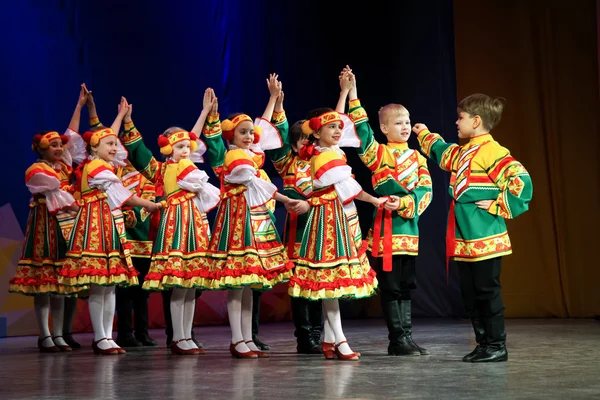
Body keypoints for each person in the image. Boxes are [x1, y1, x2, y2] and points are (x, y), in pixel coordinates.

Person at [413, 93, 533, 362]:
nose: (457, 122)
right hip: (463, 237)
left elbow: (521, 183)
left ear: (476, 121)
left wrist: (495, 204)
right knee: (470, 294)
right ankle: (483, 343)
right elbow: (444, 152)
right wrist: (423, 134)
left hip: (484, 235)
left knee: (486, 292)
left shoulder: (493, 152)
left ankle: (496, 345)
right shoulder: (465, 151)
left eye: (461, 118)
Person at [199, 86, 296, 358]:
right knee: (237, 281)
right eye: (242, 132)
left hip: (255, 217)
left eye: (250, 132)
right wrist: (211, 117)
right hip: (237, 220)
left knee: (250, 283)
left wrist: (273, 99)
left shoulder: (251, 154)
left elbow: (260, 129)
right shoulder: (226, 157)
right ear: (231, 135)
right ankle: (237, 339)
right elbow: (215, 140)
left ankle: (247, 339)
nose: (250, 136)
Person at [59, 99, 161, 355]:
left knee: (110, 284)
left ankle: (106, 336)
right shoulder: (95, 167)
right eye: (110, 144)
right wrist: (150, 205)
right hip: (95, 227)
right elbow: (122, 194)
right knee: (99, 284)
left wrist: (119, 117)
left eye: (116, 144)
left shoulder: (103, 164)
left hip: (108, 225)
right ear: (95, 147)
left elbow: (118, 193)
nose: (115, 148)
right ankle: (100, 336)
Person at [341, 67, 432, 355]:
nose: (405, 127)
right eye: (398, 123)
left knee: (405, 287)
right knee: (391, 287)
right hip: (386, 233)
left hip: (409, 232)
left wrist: (405, 203)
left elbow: (426, 190)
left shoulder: (418, 156)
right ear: (385, 128)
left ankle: (405, 336)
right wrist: (353, 94)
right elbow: (362, 131)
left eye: (407, 122)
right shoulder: (378, 152)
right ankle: (396, 339)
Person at [120, 97, 220, 355]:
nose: (186, 150)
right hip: (175, 226)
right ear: (168, 149)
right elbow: (138, 150)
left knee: (191, 284)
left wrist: (204, 112)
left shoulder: (188, 166)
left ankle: (187, 335)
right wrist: (128, 120)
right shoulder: (160, 170)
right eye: (180, 146)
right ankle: (177, 337)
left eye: (188, 146)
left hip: (193, 225)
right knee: (178, 284)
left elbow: (191, 139)